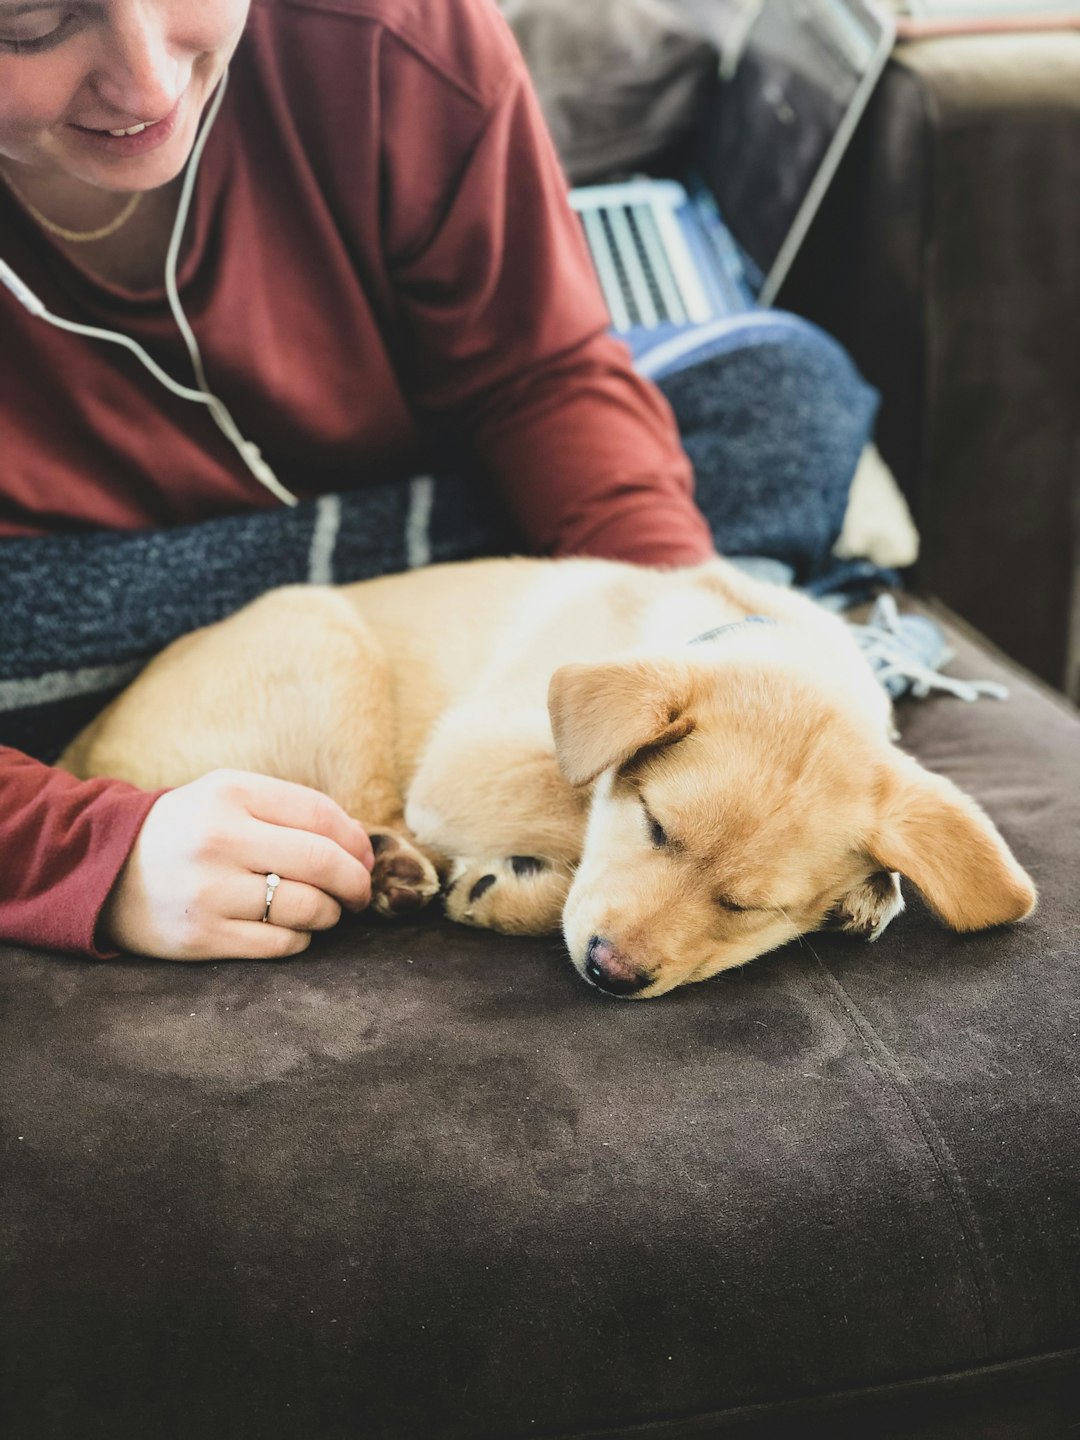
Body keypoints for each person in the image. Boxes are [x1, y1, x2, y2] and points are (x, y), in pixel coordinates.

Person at [0, 0, 719, 963]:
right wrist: (100, 854)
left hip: (367, 538)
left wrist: (702, 661)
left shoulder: (399, 31)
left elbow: (539, 375)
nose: (149, 84)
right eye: (33, 24)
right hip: (54, 585)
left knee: (779, 390)